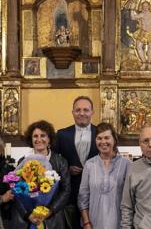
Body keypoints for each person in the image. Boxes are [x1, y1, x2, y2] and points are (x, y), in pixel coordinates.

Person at [15, 120, 70, 229]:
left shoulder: (60, 161)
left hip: (53, 218)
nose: (39, 139)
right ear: (31, 139)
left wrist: (50, 211)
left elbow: (66, 190)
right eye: (35, 136)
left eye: (43, 136)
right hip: (29, 219)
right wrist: (28, 214)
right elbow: (16, 190)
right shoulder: (23, 161)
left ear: (49, 139)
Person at [55, 96, 99, 228]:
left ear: (92, 112)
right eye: (78, 110)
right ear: (73, 112)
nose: (82, 113)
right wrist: (67, 169)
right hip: (70, 194)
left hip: (95, 193)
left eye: (86, 110)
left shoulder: (101, 133)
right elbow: (54, 162)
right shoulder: (62, 134)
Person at [78, 123, 130, 229]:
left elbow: (130, 200)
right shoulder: (89, 164)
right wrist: (86, 223)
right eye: (99, 138)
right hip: (93, 223)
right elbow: (83, 197)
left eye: (107, 138)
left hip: (119, 223)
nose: (103, 142)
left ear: (114, 139)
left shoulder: (126, 164)